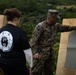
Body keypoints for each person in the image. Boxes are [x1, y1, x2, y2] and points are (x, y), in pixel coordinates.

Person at [30, 9, 76, 75]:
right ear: (51, 18)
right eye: (56, 18)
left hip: (50, 53)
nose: (57, 20)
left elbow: (66, 28)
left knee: (49, 72)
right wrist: (35, 52)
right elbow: (33, 41)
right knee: (36, 72)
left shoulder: (56, 26)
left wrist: (74, 27)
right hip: (40, 54)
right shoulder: (40, 26)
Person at [0, 8, 33, 75]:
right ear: (16, 18)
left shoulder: (1, 31)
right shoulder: (20, 32)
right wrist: (30, 65)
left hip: (3, 64)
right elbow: (28, 52)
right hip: (18, 66)